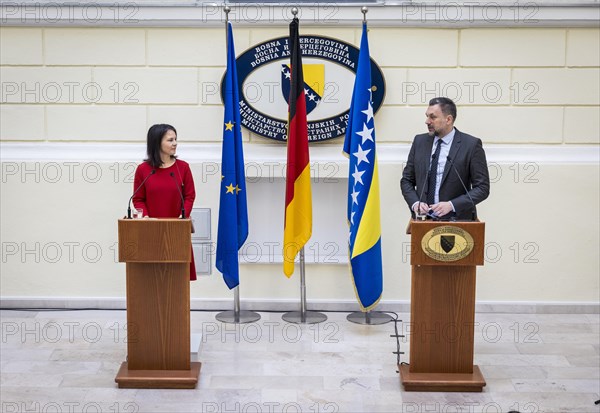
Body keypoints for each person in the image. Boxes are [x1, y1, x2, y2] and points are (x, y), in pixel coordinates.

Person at [400, 97, 490, 221]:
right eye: (427, 116)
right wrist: (415, 203)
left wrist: (452, 205)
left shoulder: (471, 145)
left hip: (458, 221)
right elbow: (407, 180)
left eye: (433, 117)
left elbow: (482, 188)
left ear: (448, 119)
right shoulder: (419, 141)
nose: (427, 121)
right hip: (423, 222)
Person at [133, 124, 197, 281]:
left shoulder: (183, 168)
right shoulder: (143, 170)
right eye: (170, 140)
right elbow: (138, 199)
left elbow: (189, 196)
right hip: (151, 232)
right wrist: (145, 217)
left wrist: (183, 216)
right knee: (151, 278)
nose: (175, 143)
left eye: (176, 139)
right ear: (157, 142)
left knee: (176, 278)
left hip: (177, 231)